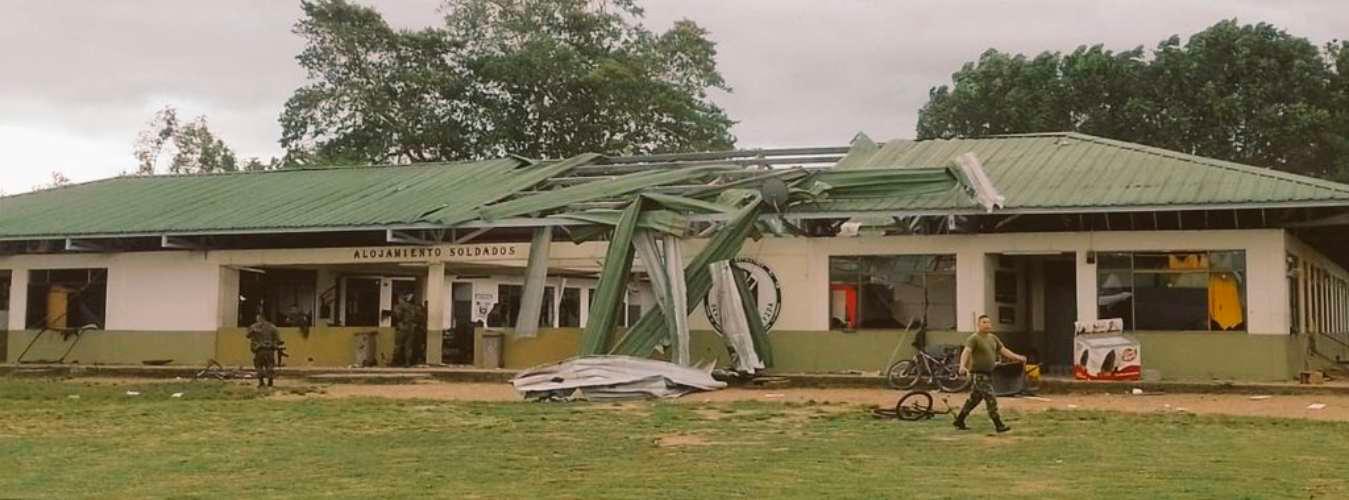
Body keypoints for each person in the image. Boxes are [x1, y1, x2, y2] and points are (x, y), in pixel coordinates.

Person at [955, 314, 1027, 433]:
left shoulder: (993, 338)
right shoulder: (974, 338)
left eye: (988, 322)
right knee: (991, 397)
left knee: (974, 399)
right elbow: (966, 352)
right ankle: (999, 425)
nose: (987, 325)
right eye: (984, 322)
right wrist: (962, 365)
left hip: (988, 374)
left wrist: (1018, 357)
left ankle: (959, 420)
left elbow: (1004, 350)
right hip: (978, 375)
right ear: (978, 324)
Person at [246, 313, 282, 388]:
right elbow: (279, 340)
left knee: (258, 366)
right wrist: (274, 344)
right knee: (270, 365)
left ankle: (261, 382)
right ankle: (270, 381)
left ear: (259, 318)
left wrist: (254, 332)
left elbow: (247, 335)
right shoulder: (272, 327)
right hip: (269, 350)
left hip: (259, 350)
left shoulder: (254, 326)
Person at [392, 293, 419, 367]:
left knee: (398, 345)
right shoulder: (413, 307)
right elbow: (417, 317)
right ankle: (407, 362)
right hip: (411, 327)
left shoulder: (400, 306)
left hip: (403, 327)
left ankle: (395, 361)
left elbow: (398, 316)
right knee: (408, 347)